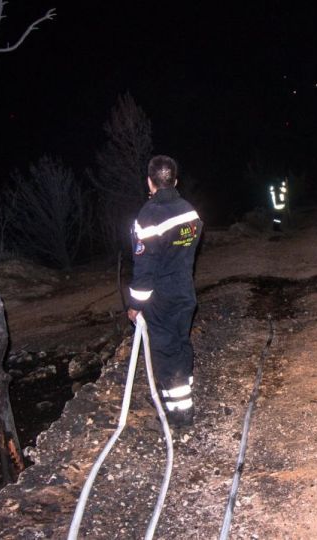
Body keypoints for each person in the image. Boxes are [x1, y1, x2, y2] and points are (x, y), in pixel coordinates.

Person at [127, 155, 203, 427]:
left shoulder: (148, 216)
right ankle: (182, 391)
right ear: (175, 180)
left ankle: (179, 413)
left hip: (163, 297)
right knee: (181, 342)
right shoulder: (189, 211)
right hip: (185, 290)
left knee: (166, 350)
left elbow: (144, 268)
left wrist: (135, 304)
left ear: (150, 181)